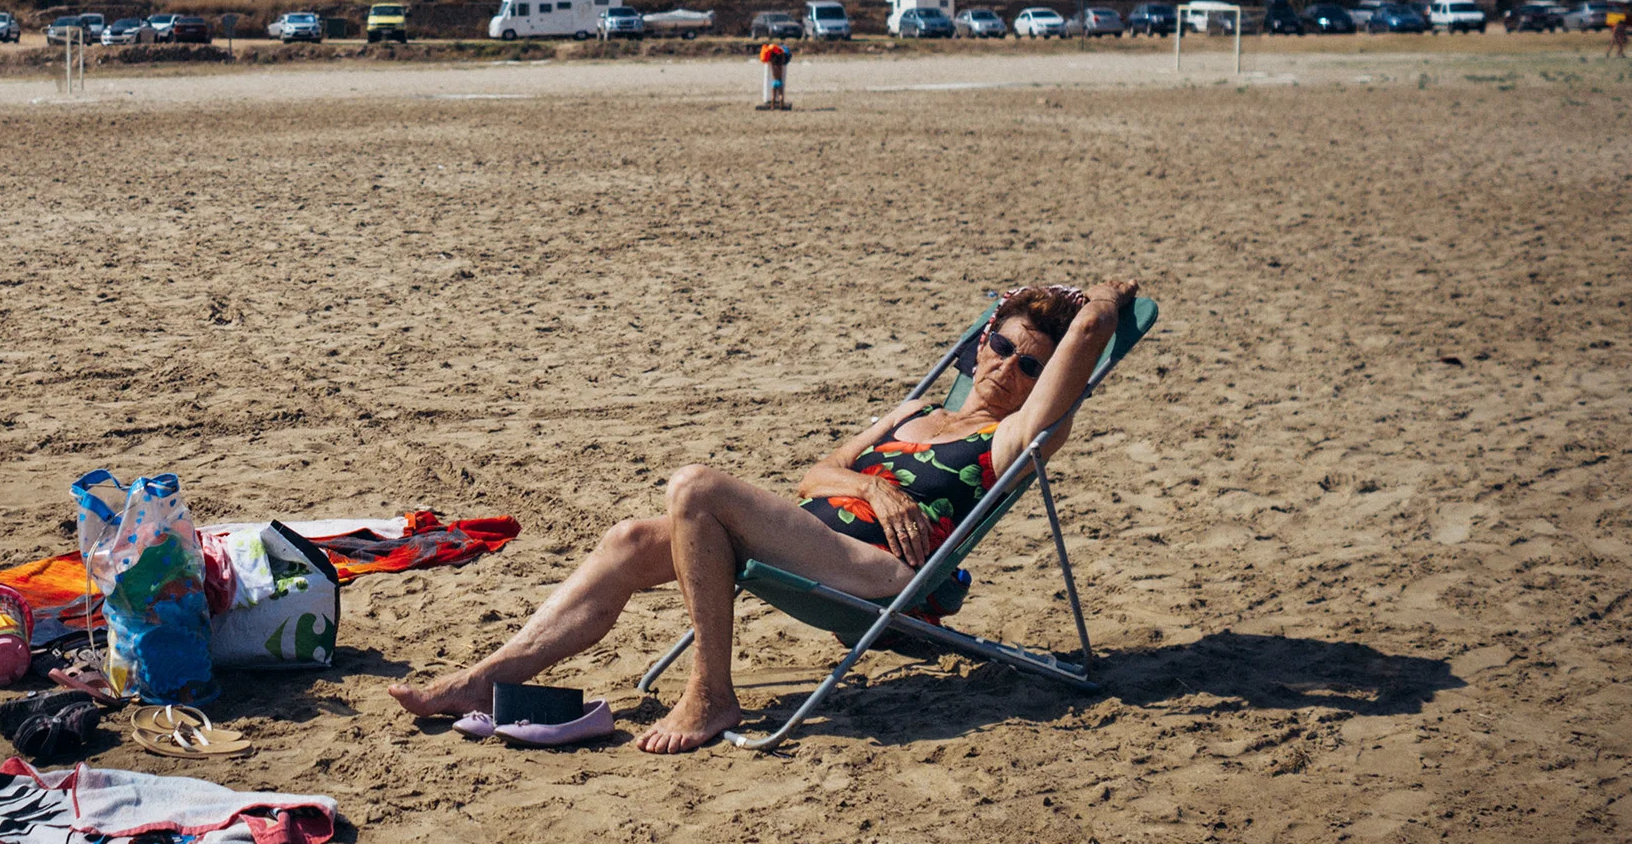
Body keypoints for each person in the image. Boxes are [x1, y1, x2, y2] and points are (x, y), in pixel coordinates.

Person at [389, 279, 1140, 753]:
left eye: (1029, 365)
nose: (1008, 369)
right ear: (984, 340)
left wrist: (1101, 304)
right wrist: (876, 486)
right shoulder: (914, 410)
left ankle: (712, 692)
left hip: (879, 570)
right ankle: (490, 678)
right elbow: (820, 470)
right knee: (627, 539)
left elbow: (1078, 359)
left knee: (696, 488)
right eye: (1003, 347)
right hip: (816, 533)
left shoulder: (1007, 440)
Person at [757, 39, 791, 110]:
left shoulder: (773, 66)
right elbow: (782, 60)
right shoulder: (780, 66)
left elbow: (771, 60)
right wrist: (781, 54)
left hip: (774, 81)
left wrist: (771, 55)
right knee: (781, 95)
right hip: (779, 81)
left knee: (773, 95)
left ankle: (772, 107)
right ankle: (781, 106)